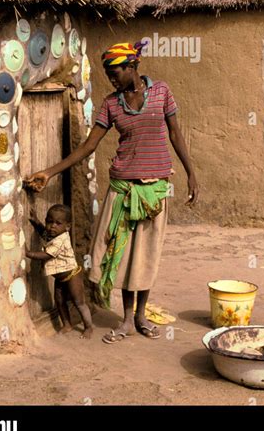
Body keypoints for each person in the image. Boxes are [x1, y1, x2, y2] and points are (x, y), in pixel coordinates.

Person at [25, 39, 198, 344]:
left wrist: (191, 172)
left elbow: (175, 133)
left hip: (154, 193)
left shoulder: (161, 92)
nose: (112, 78)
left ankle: (140, 316)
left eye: (115, 71)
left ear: (133, 66)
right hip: (122, 191)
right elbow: (89, 146)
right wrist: (50, 172)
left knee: (146, 258)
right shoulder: (111, 104)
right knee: (122, 256)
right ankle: (128, 319)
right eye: (108, 73)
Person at [25, 203, 93, 339]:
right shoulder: (53, 234)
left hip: (72, 275)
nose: (53, 226)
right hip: (60, 278)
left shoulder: (62, 239)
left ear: (67, 227)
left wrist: (28, 253)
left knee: (79, 302)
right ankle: (67, 324)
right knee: (59, 301)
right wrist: (36, 222)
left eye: (58, 223)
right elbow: (44, 233)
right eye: (49, 222)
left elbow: (47, 255)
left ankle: (88, 327)